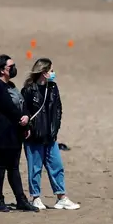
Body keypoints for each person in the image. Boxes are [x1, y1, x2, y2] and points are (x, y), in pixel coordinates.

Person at [21, 58, 80, 210]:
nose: (53, 73)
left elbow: (58, 109)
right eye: (51, 70)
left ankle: (62, 197)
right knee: (35, 168)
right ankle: (35, 197)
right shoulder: (28, 89)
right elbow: (24, 111)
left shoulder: (53, 87)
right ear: (44, 72)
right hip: (34, 136)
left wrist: (55, 128)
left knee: (56, 165)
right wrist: (28, 127)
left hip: (50, 136)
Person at [0, 54, 39, 212]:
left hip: (15, 132)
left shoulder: (11, 85)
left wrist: (27, 119)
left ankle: (21, 200)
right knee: (0, 166)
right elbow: (8, 107)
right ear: (2, 70)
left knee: (14, 167)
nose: (14, 69)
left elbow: (21, 103)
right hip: (2, 132)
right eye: (11, 66)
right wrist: (21, 119)